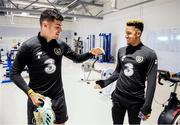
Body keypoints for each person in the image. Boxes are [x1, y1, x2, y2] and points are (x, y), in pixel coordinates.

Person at [10, 8, 104, 125]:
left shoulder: (61, 45)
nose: (61, 29)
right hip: (38, 98)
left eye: (61, 26)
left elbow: (77, 58)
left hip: (58, 97)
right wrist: (30, 93)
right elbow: (14, 73)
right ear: (45, 25)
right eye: (57, 26)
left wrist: (91, 53)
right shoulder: (28, 46)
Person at [95, 20, 158, 125]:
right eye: (125, 33)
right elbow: (117, 72)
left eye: (129, 33)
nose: (126, 36)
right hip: (118, 97)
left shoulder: (150, 54)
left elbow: (152, 83)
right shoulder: (121, 51)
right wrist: (104, 83)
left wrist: (147, 106)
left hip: (136, 101)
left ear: (138, 33)